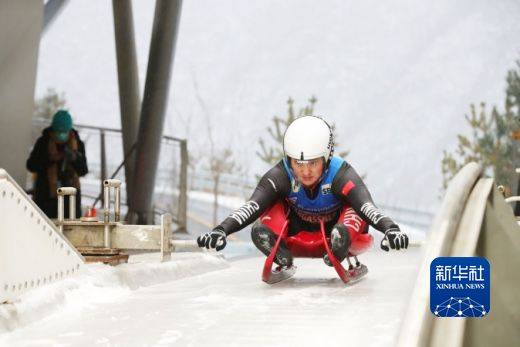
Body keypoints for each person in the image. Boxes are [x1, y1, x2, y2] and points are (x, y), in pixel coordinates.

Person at [197, 116, 408, 270]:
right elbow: (253, 205)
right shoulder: (281, 174)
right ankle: (281, 254)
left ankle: (339, 244)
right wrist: (220, 231)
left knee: (353, 207)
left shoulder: (342, 174)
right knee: (268, 209)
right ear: (289, 159)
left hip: (338, 229)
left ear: (327, 158)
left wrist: (391, 230)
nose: (305, 171)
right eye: (298, 163)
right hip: (297, 231)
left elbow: (367, 207)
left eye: (313, 163)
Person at [27, 110, 88, 218]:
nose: (60, 135)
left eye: (63, 132)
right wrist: (50, 159)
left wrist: (75, 158)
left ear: (69, 130)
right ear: (53, 129)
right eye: (58, 132)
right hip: (46, 199)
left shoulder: (77, 144)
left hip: (70, 201)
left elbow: (83, 170)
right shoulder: (43, 142)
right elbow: (31, 165)